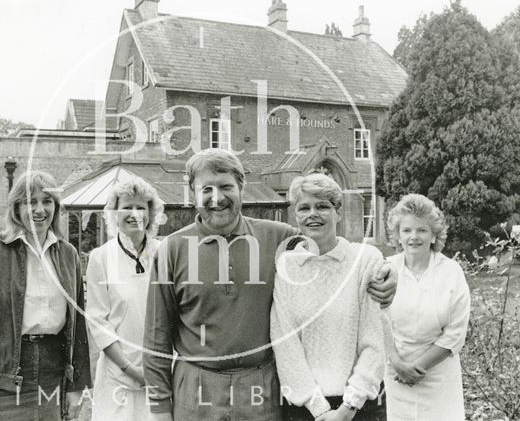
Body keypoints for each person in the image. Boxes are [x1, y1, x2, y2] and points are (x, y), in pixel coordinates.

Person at [143, 148, 397, 421]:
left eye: (226, 186)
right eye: (206, 189)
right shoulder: (172, 250)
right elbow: (156, 341)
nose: (217, 198)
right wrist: (160, 411)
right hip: (196, 391)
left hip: (261, 392)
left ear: (241, 188)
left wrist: (388, 272)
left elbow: (329, 248)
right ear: (192, 193)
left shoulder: (279, 238)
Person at [0, 171, 91, 421]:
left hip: (54, 378)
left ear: (56, 207)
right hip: (5, 384)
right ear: (16, 207)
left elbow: (77, 329)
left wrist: (77, 386)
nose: (39, 210)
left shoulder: (68, 255)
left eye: (47, 201)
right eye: (30, 202)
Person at [271, 174, 386, 421]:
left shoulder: (366, 261)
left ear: (338, 213)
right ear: (296, 216)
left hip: (360, 405)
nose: (313, 214)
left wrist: (348, 408)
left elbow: (374, 342)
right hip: (306, 408)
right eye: (304, 208)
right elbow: (285, 345)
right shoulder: (287, 269)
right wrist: (320, 410)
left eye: (322, 206)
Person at [383, 194, 470, 420]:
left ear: (433, 236)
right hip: (396, 373)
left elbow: (456, 332)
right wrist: (399, 365)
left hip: (439, 374)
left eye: (422, 230)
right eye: (407, 230)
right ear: (398, 236)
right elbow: (376, 320)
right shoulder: (385, 270)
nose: (414, 237)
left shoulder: (451, 272)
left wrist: (417, 368)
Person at [86, 176, 165, 420]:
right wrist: (130, 369)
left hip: (159, 374)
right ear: (114, 213)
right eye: (127, 207)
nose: (134, 214)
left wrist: (156, 369)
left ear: (151, 213)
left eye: (141, 207)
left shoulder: (164, 253)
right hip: (117, 377)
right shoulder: (100, 257)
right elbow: (99, 322)